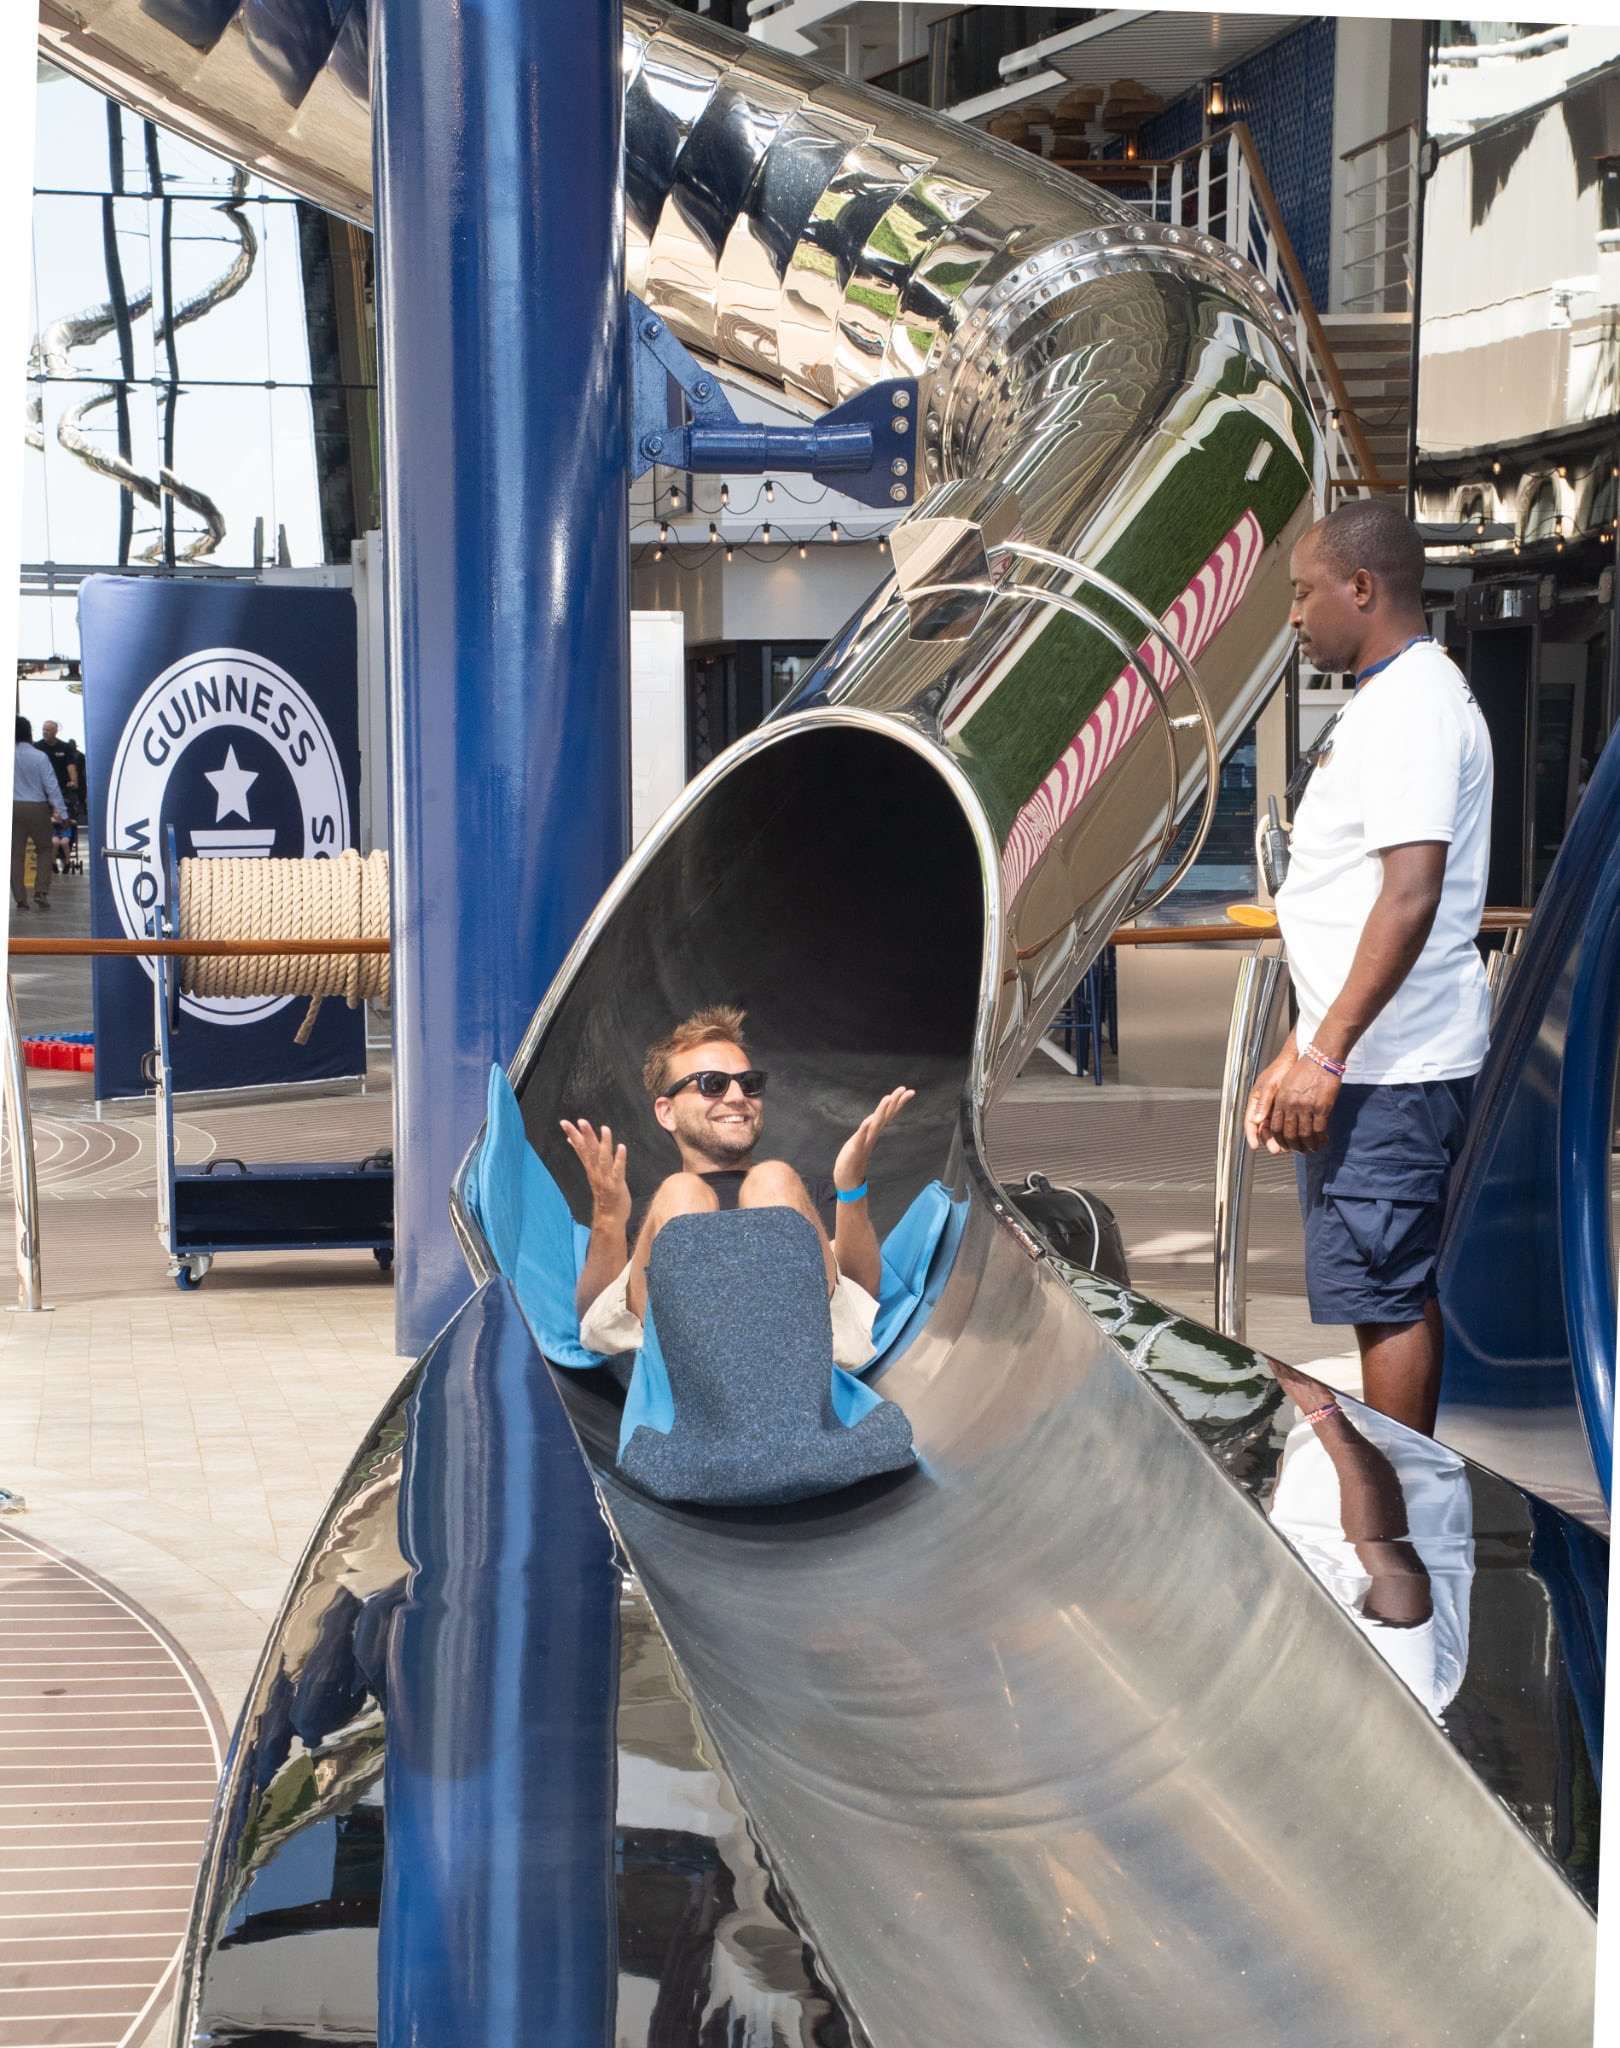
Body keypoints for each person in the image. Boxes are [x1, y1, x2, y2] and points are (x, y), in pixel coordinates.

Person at [1245, 499, 1493, 1437]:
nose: (1294, 616)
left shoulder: (1411, 709)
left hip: (1392, 1071)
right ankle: (1401, 1499)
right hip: (1376, 1060)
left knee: (1386, 1293)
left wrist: (1329, 1054)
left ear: (1361, 587)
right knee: (1382, 1288)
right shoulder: (1394, 698)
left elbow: (1408, 895)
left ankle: (1398, 1510)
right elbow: (1351, 898)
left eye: (1303, 593)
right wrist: (1298, 1044)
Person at [562, 1004, 913, 1369]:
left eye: (749, 1083)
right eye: (712, 1084)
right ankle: (709, 1371)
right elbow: (595, 1315)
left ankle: (767, 1373)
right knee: (682, 1193)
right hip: (675, 1365)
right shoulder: (650, 1214)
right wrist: (608, 1216)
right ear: (667, 1112)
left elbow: (860, 1290)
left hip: (796, 1357)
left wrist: (851, 1187)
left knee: (773, 1179)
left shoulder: (802, 1196)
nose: (736, 1097)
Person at [12, 716, 68, 913]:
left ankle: (20, 899)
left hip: (12, 808)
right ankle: (41, 891)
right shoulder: (40, 756)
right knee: (44, 849)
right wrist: (62, 813)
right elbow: (52, 786)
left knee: (14, 854)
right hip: (37, 807)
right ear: (29, 733)